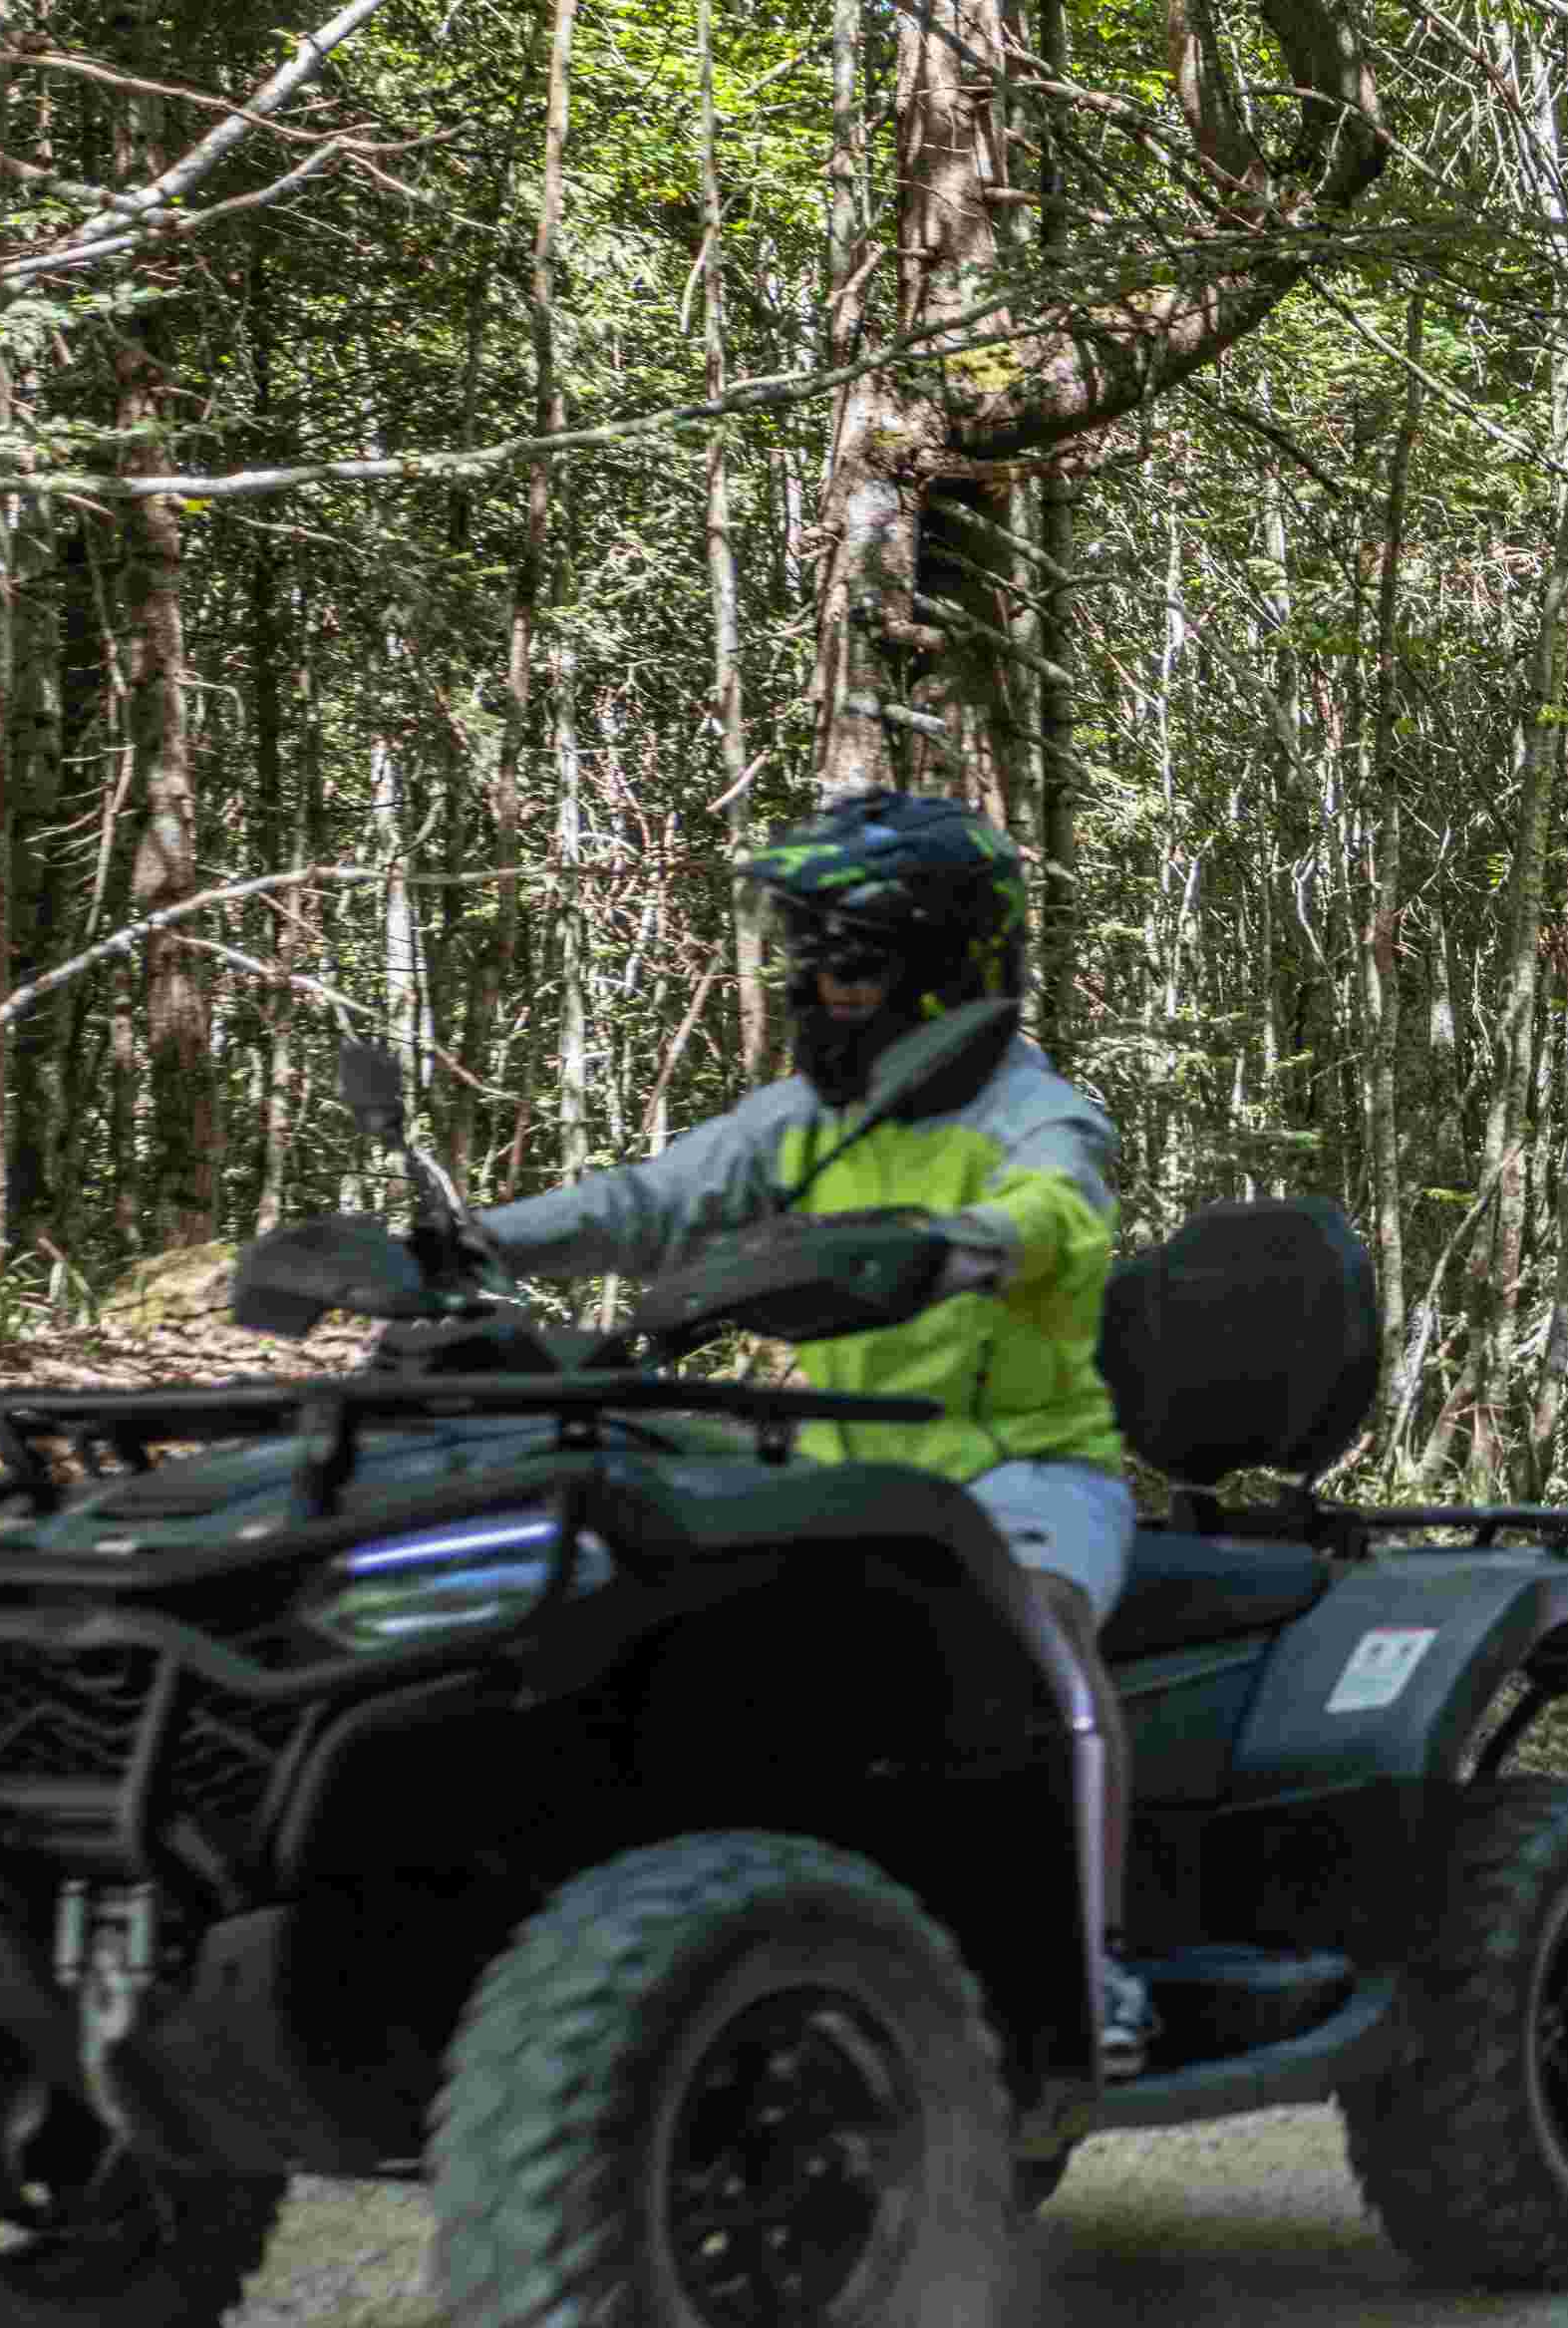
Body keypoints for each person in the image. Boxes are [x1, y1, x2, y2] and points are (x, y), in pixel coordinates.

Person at [470, 789, 1154, 2076]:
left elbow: (1060, 1207)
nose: (810, 987)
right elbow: (648, 1203)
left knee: (1041, 1630)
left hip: (1023, 1473)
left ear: (937, 972)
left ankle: (1095, 1959)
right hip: (839, 1476)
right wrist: (468, 1240)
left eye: (845, 962)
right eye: (805, 958)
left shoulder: (1032, 1112)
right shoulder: (803, 1122)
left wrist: (966, 1243)